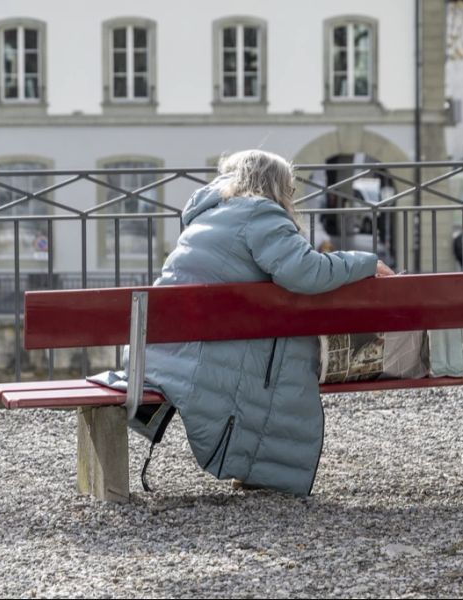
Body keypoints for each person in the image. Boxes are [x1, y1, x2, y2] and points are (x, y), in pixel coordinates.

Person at [93, 150, 393, 496]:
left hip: (160, 350)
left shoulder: (209, 214)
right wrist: (366, 263)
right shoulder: (260, 213)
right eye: (290, 189)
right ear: (275, 186)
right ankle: (262, 473)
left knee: (269, 361)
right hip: (201, 350)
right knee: (280, 364)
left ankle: (254, 468)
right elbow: (305, 272)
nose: (291, 197)